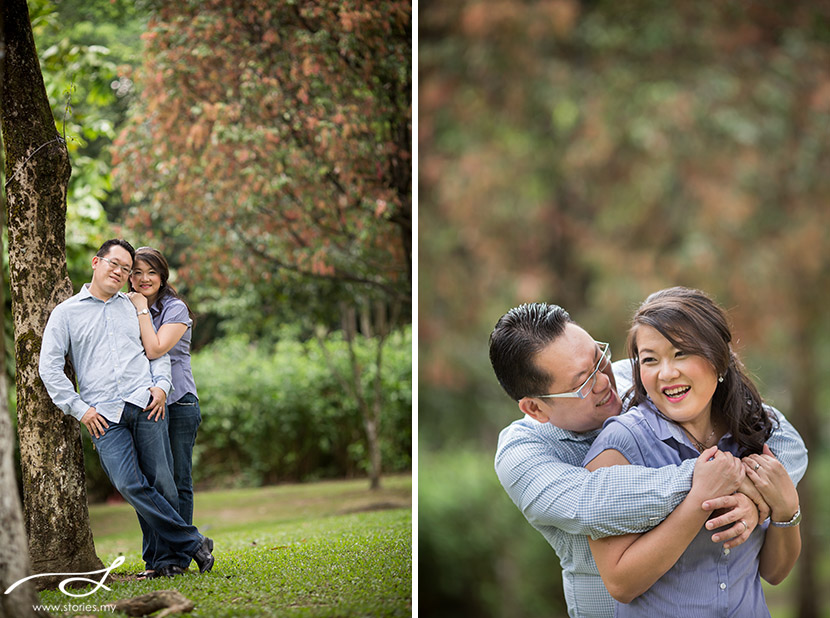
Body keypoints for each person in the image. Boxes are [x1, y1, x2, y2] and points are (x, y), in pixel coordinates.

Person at [490, 301, 807, 618]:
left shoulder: (648, 375)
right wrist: (709, 479)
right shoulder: (523, 453)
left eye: (600, 358)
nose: (605, 382)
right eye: (581, 383)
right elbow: (597, 501)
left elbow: (781, 438)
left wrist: (753, 497)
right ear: (535, 408)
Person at [583, 287, 801, 616]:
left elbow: (775, 573)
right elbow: (620, 584)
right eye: (650, 360)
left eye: (681, 353)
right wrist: (700, 499)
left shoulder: (752, 430)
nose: (666, 373)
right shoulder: (620, 445)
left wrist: (786, 509)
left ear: (719, 358)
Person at [38, 239, 215, 579]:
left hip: (146, 405)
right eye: (114, 264)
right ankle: (194, 542)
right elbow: (49, 368)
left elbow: (156, 353)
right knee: (130, 485)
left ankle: (163, 562)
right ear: (95, 262)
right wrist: (80, 409)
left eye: (125, 268)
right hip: (103, 415)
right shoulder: (66, 313)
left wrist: (162, 387)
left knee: (163, 483)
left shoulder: (133, 305)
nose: (119, 272)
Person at [128, 246, 201, 576]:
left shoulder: (174, 308)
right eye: (137, 272)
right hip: (144, 406)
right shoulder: (124, 306)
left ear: (162, 276)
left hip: (178, 402)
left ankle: (178, 558)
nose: (144, 278)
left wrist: (142, 309)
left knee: (177, 482)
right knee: (150, 484)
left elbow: (156, 347)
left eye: (151, 272)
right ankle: (155, 560)